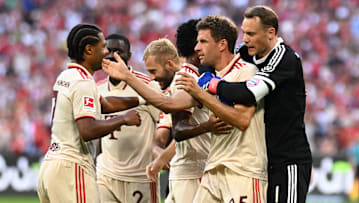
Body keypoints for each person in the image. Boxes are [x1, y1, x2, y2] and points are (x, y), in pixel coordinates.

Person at [180, 6, 313, 203]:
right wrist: (206, 75)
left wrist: (212, 84)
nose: (245, 39)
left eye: (251, 33)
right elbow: (212, 59)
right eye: (244, 33)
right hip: (266, 155)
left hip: (288, 158)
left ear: (270, 33)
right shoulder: (249, 52)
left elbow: (248, 94)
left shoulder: (283, 58)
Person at [102, 37, 231, 202]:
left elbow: (177, 129)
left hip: (194, 170)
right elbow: (165, 135)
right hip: (183, 168)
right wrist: (161, 158)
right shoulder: (175, 85)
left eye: (154, 71)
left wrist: (206, 126)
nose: (152, 78)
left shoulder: (183, 80)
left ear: (169, 64)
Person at [37, 24, 142, 203]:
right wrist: (124, 119)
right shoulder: (83, 82)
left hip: (51, 166)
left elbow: (106, 105)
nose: (107, 52)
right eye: (103, 46)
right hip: (72, 167)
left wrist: (142, 99)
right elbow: (87, 130)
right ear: (89, 50)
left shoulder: (67, 76)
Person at [172, 15, 268, 203]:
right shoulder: (206, 79)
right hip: (213, 169)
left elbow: (241, 120)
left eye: (203, 41)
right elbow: (168, 104)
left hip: (243, 171)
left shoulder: (247, 71)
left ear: (222, 44)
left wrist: (200, 94)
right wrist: (129, 79)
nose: (196, 47)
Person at [96, 33, 162, 203]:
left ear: (129, 56)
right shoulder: (97, 88)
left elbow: (164, 124)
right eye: (108, 50)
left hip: (140, 176)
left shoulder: (148, 85)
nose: (112, 55)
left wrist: (160, 153)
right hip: (106, 174)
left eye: (118, 51)